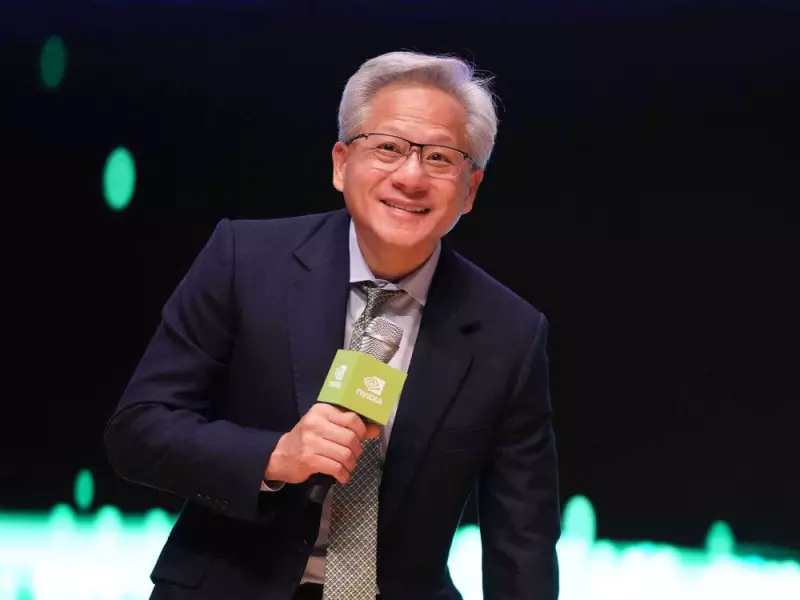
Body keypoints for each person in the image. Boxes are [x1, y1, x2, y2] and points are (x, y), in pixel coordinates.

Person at [104, 50, 560, 600]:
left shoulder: (509, 332)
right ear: (341, 163)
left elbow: (523, 540)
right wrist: (275, 456)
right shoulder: (244, 260)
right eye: (388, 147)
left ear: (470, 190)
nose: (411, 176)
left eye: (440, 157)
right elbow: (138, 432)